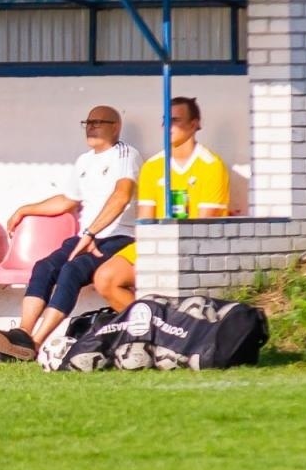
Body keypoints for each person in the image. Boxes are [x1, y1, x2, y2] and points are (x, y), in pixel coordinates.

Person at [0, 105, 138, 362]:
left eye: (98, 122)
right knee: (44, 266)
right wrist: (25, 209)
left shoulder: (125, 154)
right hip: (85, 237)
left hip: (117, 237)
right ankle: (22, 334)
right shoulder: (84, 161)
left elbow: (121, 196)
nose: (91, 127)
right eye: (88, 122)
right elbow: (68, 200)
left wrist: (92, 232)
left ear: (116, 127)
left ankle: (34, 343)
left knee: (72, 271)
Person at [93, 97, 231, 312]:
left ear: (194, 125)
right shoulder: (153, 166)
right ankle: (152, 327)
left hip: (196, 247)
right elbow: (146, 222)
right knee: (105, 278)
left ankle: (168, 327)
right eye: (165, 120)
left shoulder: (211, 165)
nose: (168, 127)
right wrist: (149, 256)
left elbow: (204, 225)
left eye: (176, 120)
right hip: (156, 245)